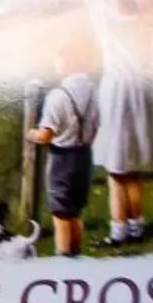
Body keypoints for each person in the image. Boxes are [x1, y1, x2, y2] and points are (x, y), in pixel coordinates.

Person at [81, 0, 153, 246]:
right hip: (142, 90)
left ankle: (118, 231)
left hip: (119, 91)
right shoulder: (147, 24)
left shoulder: (108, 20)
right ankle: (136, 225)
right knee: (132, 168)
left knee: (116, 171)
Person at [29, 43, 98, 257]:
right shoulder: (92, 89)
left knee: (61, 213)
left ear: (69, 62)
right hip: (84, 155)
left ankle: (64, 256)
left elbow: (46, 135)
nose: (55, 63)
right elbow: (96, 124)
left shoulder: (57, 97)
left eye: (58, 58)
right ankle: (76, 252)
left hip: (62, 159)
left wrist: (31, 134)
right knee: (76, 211)